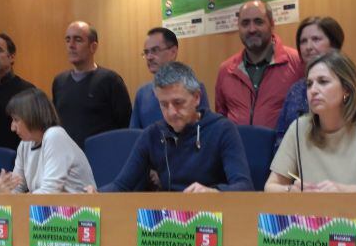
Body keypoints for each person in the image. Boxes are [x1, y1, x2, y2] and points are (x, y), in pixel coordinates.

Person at [86, 62, 253, 193]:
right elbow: (122, 185)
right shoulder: (153, 134)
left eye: (178, 103)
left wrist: (214, 192)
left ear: (196, 98)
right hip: (170, 224)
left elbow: (244, 186)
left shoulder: (222, 129)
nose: (172, 112)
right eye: (164, 104)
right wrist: (97, 194)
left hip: (213, 218)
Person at [265, 51, 356, 193]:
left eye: (323, 82)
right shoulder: (299, 128)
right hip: (314, 216)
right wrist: (290, 189)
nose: (313, 90)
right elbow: (271, 186)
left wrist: (349, 191)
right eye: (309, 84)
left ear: (346, 89)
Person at [214, 0, 301, 128]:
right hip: (238, 148)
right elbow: (221, 118)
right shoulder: (226, 71)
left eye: (258, 22)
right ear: (239, 27)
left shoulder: (297, 63)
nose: (252, 29)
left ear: (271, 24)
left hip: (283, 147)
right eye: (245, 23)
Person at [0, 88, 95, 194]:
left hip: (82, 209)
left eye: (16, 120)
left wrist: (12, 198)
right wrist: (1, 194)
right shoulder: (25, 144)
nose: (12, 128)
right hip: (52, 208)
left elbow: (49, 193)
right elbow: (17, 188)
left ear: (31, 116)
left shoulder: (55, 135)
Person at [52, 21, 131, 148]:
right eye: (68, 40)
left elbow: (125, 124)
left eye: (78, 40)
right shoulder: (59, 81)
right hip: (67, 159)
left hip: (101, 157)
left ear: (93, 47)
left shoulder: (110, 80)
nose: (71, 45)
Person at [275, 16, 346, 145]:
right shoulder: (295, 90)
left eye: (316, 39)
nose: (308, 47)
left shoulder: (349, 84)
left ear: (334, 45)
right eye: (303, 41)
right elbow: (281, 139)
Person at [130, 27, 210, 128]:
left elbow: (205, 129)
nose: (149, 57)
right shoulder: (142, 93)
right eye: (146, 52)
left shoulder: (194, 87)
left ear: (173, 52)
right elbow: (135, 134)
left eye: (155, 50)